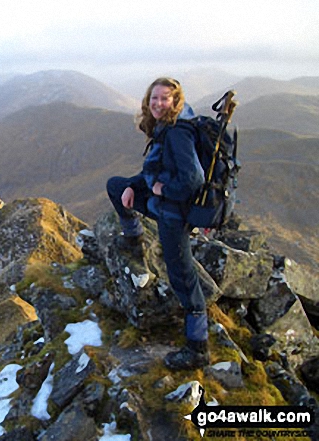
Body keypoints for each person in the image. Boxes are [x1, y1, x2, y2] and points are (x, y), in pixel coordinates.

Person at [106, 77, 209, 370]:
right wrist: (134, 186)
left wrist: (165, 191)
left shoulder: (178, 132)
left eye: (165, 99)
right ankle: (133, 234)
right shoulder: (165, 128)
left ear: (175, 102)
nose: (158, 103)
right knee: (116, 185)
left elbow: (193, 179)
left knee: (182, 276)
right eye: (154, 98)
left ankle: (198, 348)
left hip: (174, 214)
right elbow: (158, 168)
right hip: (162, 205)